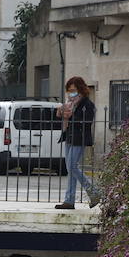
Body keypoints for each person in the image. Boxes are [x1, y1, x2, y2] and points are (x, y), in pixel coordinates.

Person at [53, 76, 96, 209]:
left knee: (72, 166)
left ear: (80, 89)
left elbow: (86, 122)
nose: (71, 93)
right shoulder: (70, 104)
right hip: (69, 137)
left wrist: (71, 117)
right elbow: (64, 119)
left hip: (80, 138)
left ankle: (94, 192)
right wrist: (62, 112)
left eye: (73, 90)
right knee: (70, 169)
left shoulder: (86, 105)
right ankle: (69, 200)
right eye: (69, 90)